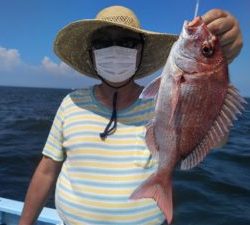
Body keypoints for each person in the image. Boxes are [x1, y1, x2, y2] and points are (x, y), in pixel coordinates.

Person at [19, 5, 243, 225]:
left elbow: (216, 137)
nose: (115, 49)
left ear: (141, 52)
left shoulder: (157, 103)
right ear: (91, 54)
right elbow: (47, 170)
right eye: (103, 43)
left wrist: (221, 63)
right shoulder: (71, 104)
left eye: (127, 42)